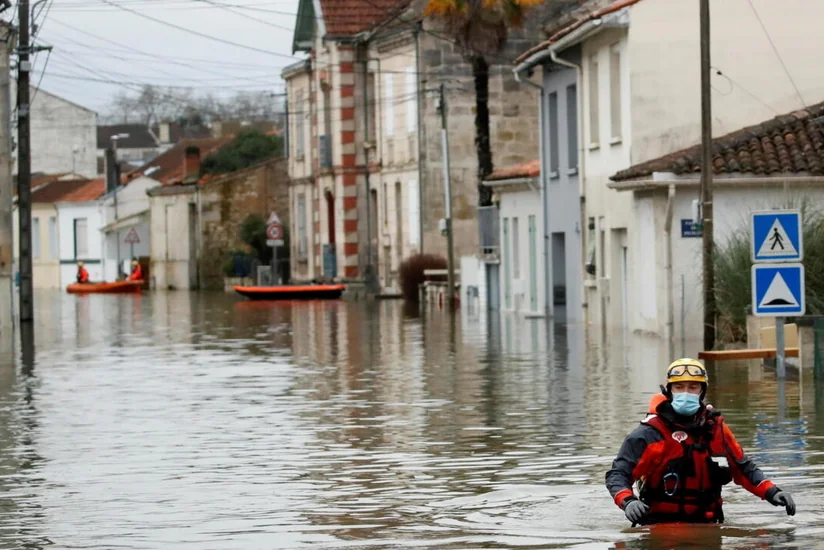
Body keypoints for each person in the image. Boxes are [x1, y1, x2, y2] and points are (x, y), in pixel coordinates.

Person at [606, 358, 796, 525]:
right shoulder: (649, 433)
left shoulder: (715, 428)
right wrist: (628, 501)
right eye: (679, 387)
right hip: (659, 527)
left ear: (702, 391)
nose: (686, 393)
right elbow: (618, 474)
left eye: (693, 387)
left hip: (707, 524)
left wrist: (772, 492)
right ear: (669, 391)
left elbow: (743, 469)